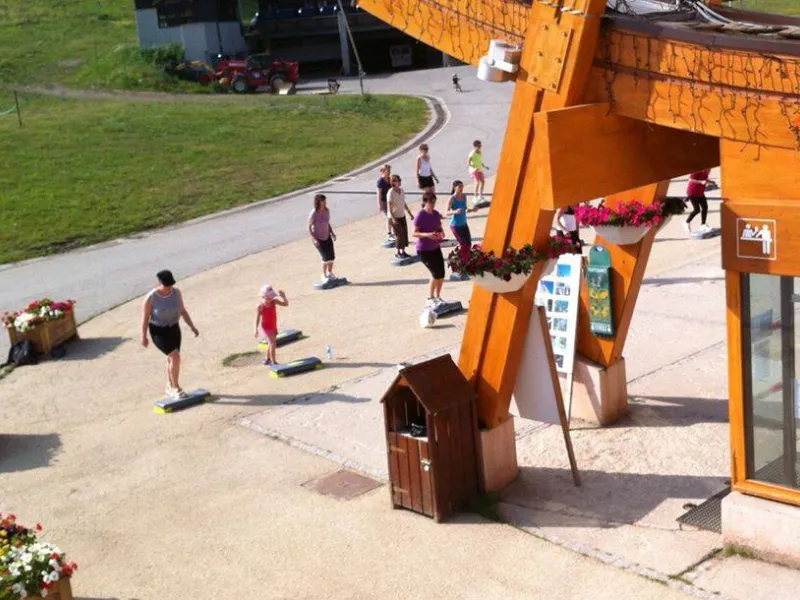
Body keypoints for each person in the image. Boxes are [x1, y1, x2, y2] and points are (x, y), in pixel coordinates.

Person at [140, 269, 199, 399]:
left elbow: (183, 311)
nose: (169, 287)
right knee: (175, 357)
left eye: (171, 285)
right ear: (159, 283)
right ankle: (176, 388)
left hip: (174, 329)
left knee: (172, 358)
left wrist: (192, 327)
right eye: (166, 285)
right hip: (158, 331)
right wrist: (143, 337)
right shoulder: (151, 297)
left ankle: (169, 386)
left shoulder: (176, 293)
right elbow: (144, 319)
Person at [413, 191, 446, 308]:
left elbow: (439, 228)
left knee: (441, 274)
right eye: (431, 202)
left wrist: (441, 234)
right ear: (425, 202)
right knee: (435, 274)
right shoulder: (420, 215)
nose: (432, 204)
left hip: (435, 248)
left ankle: (438, 297)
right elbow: (414, 233)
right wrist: (427, 235)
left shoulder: (436, 214)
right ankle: (430, 298)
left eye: (434, 202)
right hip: (424, 250)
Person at [254, 285, 289, 365]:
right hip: (265, 327)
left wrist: (284, 297)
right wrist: (255, 329)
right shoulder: (259, 306)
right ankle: (274, 362)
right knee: (273, 343)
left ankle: (267, 358)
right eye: (269, 297)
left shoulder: (274, 301)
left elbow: (286, 304)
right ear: (263, 296)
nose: (271, 299)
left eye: (271, 297)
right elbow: (257, 318)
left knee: (271, 343)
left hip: (273, 326)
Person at [308, 193, 338, 282]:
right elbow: (309, 227)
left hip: (327, 236)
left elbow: (327, 223)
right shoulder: (314, 213)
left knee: (331, 257)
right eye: (323, 201)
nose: (325, 202)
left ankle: (330, 273)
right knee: (325, 258)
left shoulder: (327, 211)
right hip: (318, 238)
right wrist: (314, 239)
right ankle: (324, 275)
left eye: (325, 201)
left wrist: (332, 233)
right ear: (318, 202)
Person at [387, 174, 414, 259]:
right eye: (398, 180)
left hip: (402, 215)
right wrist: (393, 219)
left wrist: (410, 213)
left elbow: (403, 203)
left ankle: (403, 251)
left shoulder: (401, 190)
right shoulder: (390, 192)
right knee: (399, 235)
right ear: (393, 182)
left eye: (400, 180)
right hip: (395, 217)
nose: (400, 181)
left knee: (404, 233)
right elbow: (389, 207)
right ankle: (397, 252)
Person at [684, 169, 714, 234]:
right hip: (692, 192)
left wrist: (709, 182)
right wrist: (701, 182)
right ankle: (686, 223)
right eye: (709, 169)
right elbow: (690, 179)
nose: (710, 170)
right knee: (697, 210)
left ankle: (703, 225)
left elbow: (704, 179)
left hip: (700, 192)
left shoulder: (706, 171)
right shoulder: (697, 170)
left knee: (705, 207)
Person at [447, 180, 471, 251]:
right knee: (463, 244)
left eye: (462, 186)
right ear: (455, 187)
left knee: (469, 244)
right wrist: (455, 211)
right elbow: (446, 212)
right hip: (455, 226)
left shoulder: (464, 196)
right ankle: (459, 256)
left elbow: (465, 208)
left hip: (464, 224)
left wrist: (469, 209)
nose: (461, 188)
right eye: (459, 187)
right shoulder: (452, 198)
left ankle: (467, 257)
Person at [467, 140, 490, 205]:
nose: (480, 147)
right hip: (473, 170)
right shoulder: (472, 153)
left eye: (480, 145)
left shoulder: (480, 152)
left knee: (483, 181)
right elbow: (468, 163)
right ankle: (475, 197)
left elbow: (480, 161)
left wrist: (485, 166)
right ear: (475, 146)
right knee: (477, 182)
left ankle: (480, 196)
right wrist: (474, 168)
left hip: (479, 169)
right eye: (479, 146)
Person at [376, 165, 394, 241]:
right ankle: (389, 234)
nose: (389, 172)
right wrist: (379, 204)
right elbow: (379, 193)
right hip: (384, 202)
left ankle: (394, 232)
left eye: (390, 170)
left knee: (392, 216)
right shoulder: (380, 181)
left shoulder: (390, 179)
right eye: (388, 170)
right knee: (389, 217)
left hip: (390, 201)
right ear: (383, 171)